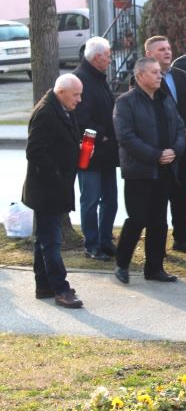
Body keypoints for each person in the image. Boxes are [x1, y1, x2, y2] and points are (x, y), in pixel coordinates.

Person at [113, 57, 185, 284]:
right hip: (140, 171)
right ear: (140, 75)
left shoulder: (165, 99)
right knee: (137, 218)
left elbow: (181, 128)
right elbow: (125, 137)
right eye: (154, 72)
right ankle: (122, 264)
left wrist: (174, 150)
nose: (159, 76)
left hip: (165, 170)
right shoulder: (126, 102)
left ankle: (154, 268)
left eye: (159, 72)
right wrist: (155, 155)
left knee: (159, 221)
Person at [22, 74, 84, 308]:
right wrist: (56, 176)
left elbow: (58, 141)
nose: (79, 99)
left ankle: (44, 284)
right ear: (62, 92)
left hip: (54, 186)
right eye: (76, 94)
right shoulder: (46, 112)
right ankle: (60, 288)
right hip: (47, 189)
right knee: (51, 241)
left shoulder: (61, 108)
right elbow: (35, 150)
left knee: (43, 240)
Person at [145, 36, 186, 255]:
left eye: (169, 48)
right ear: (150, 54)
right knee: (158, 200)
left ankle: (181, 238)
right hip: (159, 149)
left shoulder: (181, 76)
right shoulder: (143, 78)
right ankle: (157, 244)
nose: (168, 52)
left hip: (182, 145)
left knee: (181, 195)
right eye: (161, 49)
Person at [73, 36, 119, 261]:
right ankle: (91, 244)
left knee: (110, 200)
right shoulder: (79, 79)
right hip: (88, 150)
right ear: (98, 57)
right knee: (90, 199)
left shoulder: (99, 78)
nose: (110, 60)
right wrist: (102, 135)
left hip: (107, 151)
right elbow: (80, 118)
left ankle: (105, 240)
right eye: (109, 56)